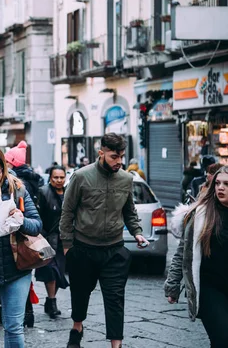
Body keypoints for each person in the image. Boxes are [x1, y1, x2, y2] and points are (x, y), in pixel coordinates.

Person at [60, 133, 149, 348]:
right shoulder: (81, 176)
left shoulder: (126, 179)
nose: (119, 161)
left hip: (114, 250)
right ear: (101, 153)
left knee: (115, 299)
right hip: (84, 248)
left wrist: (137, 231)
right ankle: (77, 327)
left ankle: (116, 345)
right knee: (80, 293)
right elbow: (67, 211)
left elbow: (129, 211)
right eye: (114, 157)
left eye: (121, 157)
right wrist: (66, 246)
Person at [165, 165, 228, 347]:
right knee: (224, 339)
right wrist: (172, 285)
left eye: (227, 184)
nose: (220, 188)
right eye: (218, 183)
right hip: (212, 288)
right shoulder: (201, 214)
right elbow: (184, 251)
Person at [0, 147, 42, 348]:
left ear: (4, 168)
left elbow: (37, 225)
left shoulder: (17, 188)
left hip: (17, 269)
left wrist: (20, 220)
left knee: (14, 326)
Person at [35, 165, 70, 319]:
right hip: (46, 239)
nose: (59, 180)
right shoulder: (43, 192)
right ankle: (52, 301)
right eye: (56, 177)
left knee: (59, 272)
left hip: (63, 240)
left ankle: (50, 301)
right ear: (50, 177)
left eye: (61, 177)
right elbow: (38, 216)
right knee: (50, 271)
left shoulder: (69, 192)